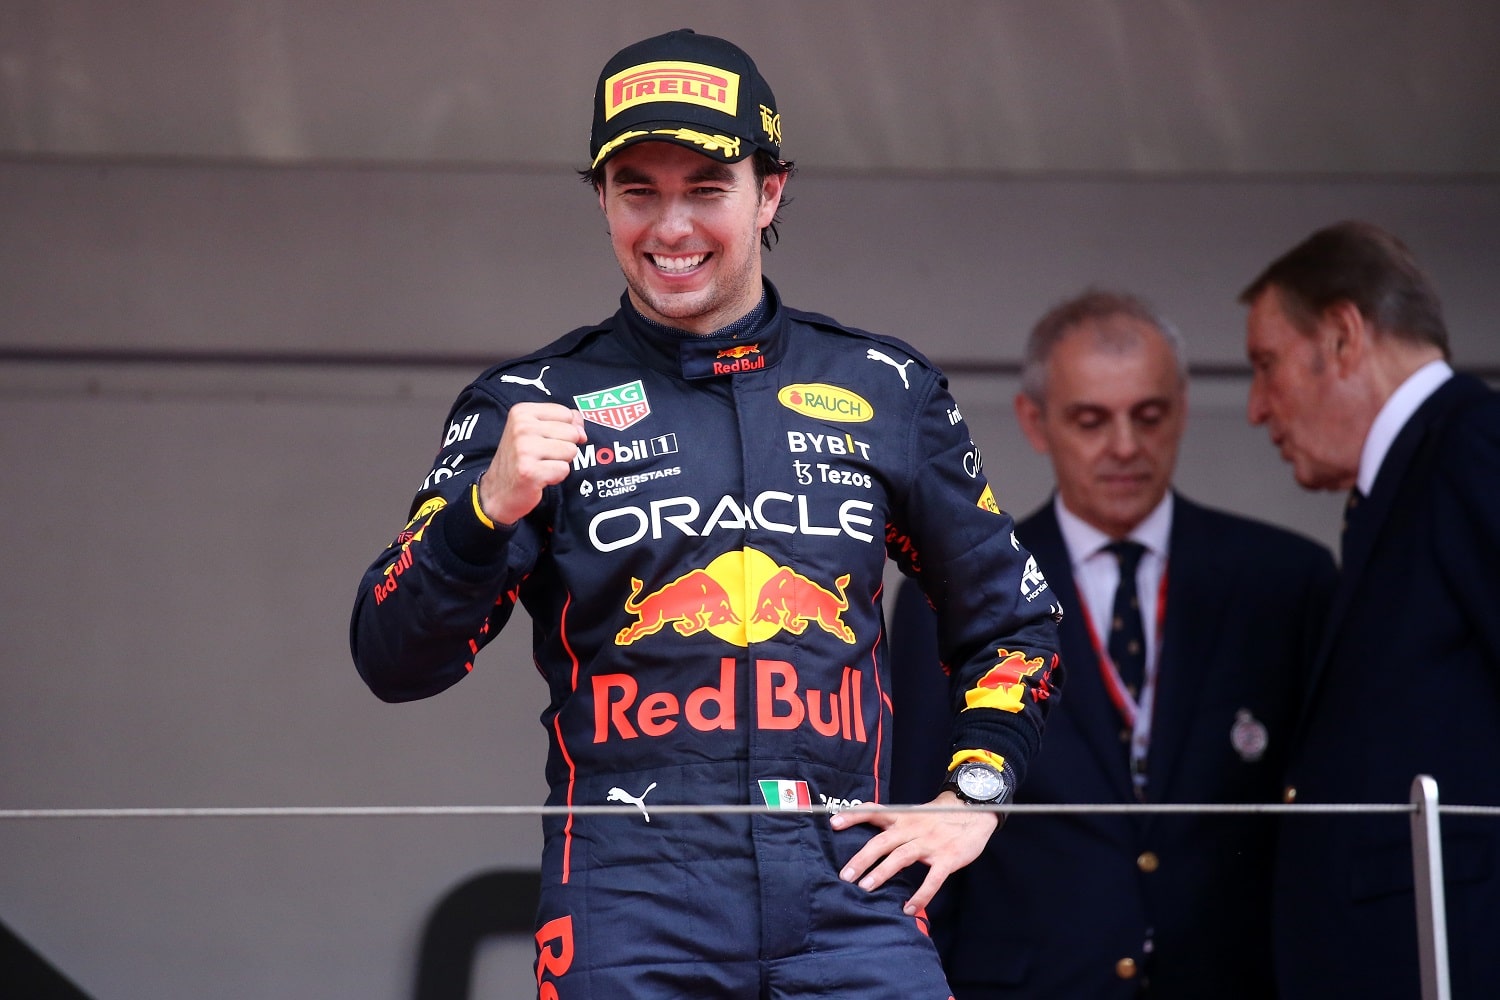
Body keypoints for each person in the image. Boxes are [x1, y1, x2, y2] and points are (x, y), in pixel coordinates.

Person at [349, 28, 1062, 999]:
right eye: (637, 188)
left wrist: (975, 793)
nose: (670, 225)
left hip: (850, 900)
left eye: (706, 187)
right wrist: (485, 508)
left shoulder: (884, 386)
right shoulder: (528, 401)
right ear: (600, 199)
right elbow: (394, 656)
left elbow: (1012, 621)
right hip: (629, 904)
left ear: (770, 192)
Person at [889, 289, 1336, 998]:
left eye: (1148, 416)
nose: (1124, 446)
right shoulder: (952, 589)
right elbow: (915, 819)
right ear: (1034, 422)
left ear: (1183, 410)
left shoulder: (1287, 581)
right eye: (1091, 420)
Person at [1241, 220, 1500, 1000]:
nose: (1255, 407)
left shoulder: (1471, 447)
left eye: (1267, 366)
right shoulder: (1412, 472)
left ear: (1345, 335)